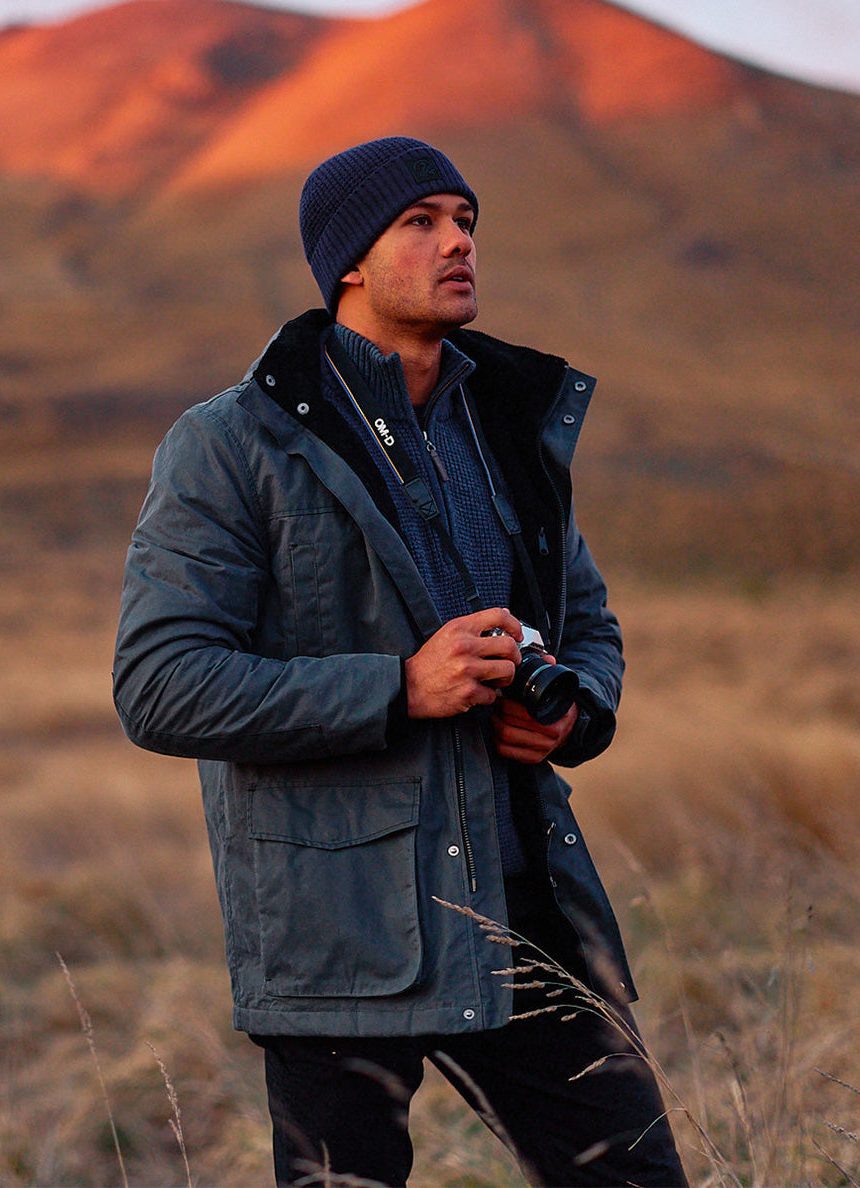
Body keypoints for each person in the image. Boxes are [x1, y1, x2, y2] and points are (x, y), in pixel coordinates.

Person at [113, 137, 687, 1187]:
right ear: (347, 262)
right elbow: (160, 684)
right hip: (338, 931)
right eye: (420, 221)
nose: (458, 240)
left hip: (522, 910)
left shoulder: (509, 428)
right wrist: (399, 688)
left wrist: (572, 715)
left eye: (465, 219)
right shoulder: (233, 444)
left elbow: (590, 628)